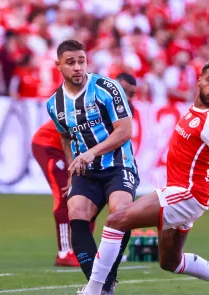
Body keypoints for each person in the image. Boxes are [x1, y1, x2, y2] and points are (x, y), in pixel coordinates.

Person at [55, 60, 209, 295]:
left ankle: (93, 293)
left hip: (185, 194)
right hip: (184, 193)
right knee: (170, 261)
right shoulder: (196, 111)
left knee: (115, 221)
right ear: (199, 81)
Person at [46, 39, 140, 295]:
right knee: (75, 213)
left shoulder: (107, 88)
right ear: (59, 66)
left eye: (81, 61)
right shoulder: (55, 104)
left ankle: (105, 279)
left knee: (121, 212)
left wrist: (90, 153)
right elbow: (65, 137)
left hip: (118, 165)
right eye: (71, 62)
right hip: (86, 171)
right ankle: (101, 283)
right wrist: (70, 167)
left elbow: (125, 131)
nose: (77, 67)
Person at [32, 72, 138, 268]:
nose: (129, 98)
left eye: (132, 94)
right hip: (49, 146)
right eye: (125, 92)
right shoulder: (97, 97)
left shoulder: (119, 107)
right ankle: (65, 252)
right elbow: (66, 137)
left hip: (84, 155)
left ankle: (87, 252)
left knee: (89, 202)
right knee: (66, 195)